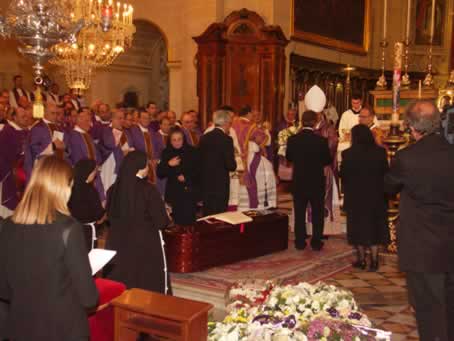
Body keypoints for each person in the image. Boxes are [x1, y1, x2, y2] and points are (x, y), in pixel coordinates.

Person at [0, 156, 98, 341]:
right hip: (63, 330)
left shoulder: (7, 226)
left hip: (21, 328)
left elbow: (4, 289)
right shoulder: (68, 228)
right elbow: (89, 298)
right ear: (62, 188)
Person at [385, 100, 454, 341]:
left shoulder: (406, 158)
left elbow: (388, 187)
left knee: (428, 310)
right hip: (450, 242)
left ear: (412, 127)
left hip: (421, 245)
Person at [106, 151, 170, 294]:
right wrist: (166, 215)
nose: (149, 167)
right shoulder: (148, 189)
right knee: (145, 282)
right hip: (144, 244)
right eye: (147, 164)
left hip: (118, 243)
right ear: (140, 166)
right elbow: (161, 222)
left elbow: (109, 216)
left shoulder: (113, 189)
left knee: (123, 280)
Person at [340, 125, 389, 271]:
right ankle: (374, 261)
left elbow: (343, 175)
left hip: (356, 197)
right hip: (376, 197)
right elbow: (386, 173)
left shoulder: (347, 154)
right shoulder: (380, 152)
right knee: (375, 228)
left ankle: (361, 260)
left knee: (357, 228)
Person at [286, 110, 332, 251]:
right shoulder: (321, 141)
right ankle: (316, 242)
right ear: (314, 122)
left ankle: (300, 241)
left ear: (302, 121)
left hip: (299, 181)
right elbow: (327, 160)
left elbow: (289, 158)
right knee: (318, 212)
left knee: (299, 212)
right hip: (316, 181)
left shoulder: (293, 139)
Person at [306, 85, 339, 223]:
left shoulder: (329, 128)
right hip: (307, 171)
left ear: (320, 114)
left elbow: (332, 146)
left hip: (323, 170)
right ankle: (308, 225)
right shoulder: (304, 129)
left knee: (322, 199)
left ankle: (323, 228)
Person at [157, 128, 200, 225]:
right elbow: (160, 173)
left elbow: (199, 171)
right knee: (178, 222)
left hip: (189, 191)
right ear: (170, 140)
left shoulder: (192, 151)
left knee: (190, 222)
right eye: (174, 140)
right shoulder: (166, 152)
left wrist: (187, 177)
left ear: (183, 139)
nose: (177, 142)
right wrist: (169, 164)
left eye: (179, 139)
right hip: (175, 193)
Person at [231, 105, 270, 209]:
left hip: (232, 157)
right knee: (251, 180)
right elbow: (262, 138)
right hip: (246, 157)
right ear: (248, 113)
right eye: (252, 113)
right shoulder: (249, 125)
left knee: (234, 183)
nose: (253, 116)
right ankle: (251, 206)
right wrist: (265, 130)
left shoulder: (232, 123)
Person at [199, 110, 237, 215]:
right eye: (230, 123)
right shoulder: (227, 139)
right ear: (225, 123)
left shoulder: (204, 138)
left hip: (206, 183)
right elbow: (231, 165)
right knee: (220, 214)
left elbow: (200, 160)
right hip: (220, 184)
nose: (230, 126)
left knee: (208, 212)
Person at [66, 108, 105, 201]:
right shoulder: (73, 136)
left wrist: (98, 166)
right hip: (83, 177)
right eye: (87, 121)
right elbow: (77, 159)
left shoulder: (87, 135)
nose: (90, 124)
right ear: (79, 119)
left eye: (90, 120)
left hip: (94, 173)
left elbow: (96, 154)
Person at [68, 159, 106, 250]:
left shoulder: (69, 188)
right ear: (88, 173)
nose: (95, 174)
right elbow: (98, 215)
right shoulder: (90, 190)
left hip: (71, 230)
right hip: (87, 232)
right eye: (93, 171)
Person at [0, 108, 29, 218]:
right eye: (23, 116)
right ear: (14, 117)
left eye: (27, 116)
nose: (26, 119)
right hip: (11, 175)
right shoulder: (7, 132)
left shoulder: (27, 131)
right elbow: (4, 154)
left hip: (24, 174)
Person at [24, 104, 65, 180]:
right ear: (45, 113)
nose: (55, 116)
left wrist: (64, 147)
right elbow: (34, 149)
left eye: (57, 113)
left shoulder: (59, 128)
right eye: (52, 113)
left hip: (57, 167)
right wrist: (53, 146)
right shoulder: (38, 127)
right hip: (43, 168)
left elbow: (61, 147)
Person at [99, 110, 133, 193]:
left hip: (124, 164)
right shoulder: (106, 130)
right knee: (109, 187)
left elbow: (129, 145)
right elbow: (109, 144)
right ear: (112, 119)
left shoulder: (126, 132)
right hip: (110, 164)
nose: (122, 121)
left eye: (123, 118)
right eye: (119, 118)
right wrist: (122, 152)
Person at [337, 93, 379, 161]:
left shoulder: (367, 112)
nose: (355, 105)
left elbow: (375, 126)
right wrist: (346, 135)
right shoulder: (346, 114)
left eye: (357, 103)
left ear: (361, 102)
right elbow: (341, 130)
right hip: (350, 143)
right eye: (353, 103)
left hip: (366, 144)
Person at [129, 110, 156, 183]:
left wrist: (155, 159)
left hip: (152, 165)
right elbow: (131, 148)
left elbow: (155, 148)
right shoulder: (133, 130)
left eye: (148, 118)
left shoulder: (152, 131)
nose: (146, 120)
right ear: (139, 119)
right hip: (139, 165)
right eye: (144, 118)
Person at [152, 117, 171, 196]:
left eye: (168, 125)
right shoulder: (155, 136)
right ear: (160, 125)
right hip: (159, 166)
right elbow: (153, 152)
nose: (167, 126)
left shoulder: (171, 136)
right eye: (165, 124)